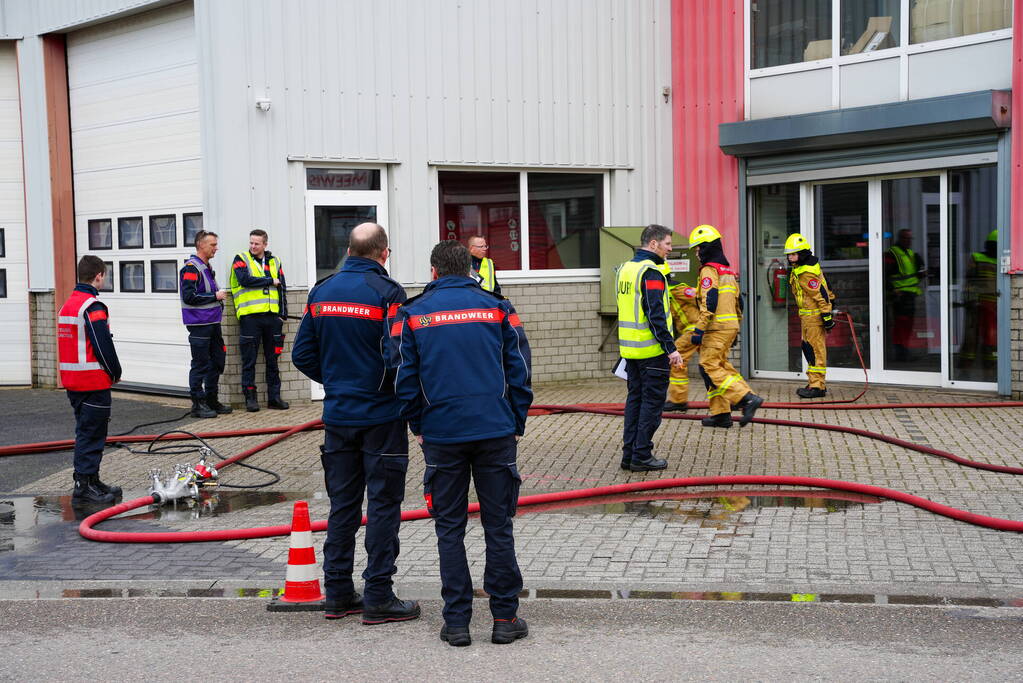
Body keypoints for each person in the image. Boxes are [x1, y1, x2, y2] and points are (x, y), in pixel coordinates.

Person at [394, 240, 532, 647]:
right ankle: (505, 619)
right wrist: (516, 421)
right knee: (498, 526)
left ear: (433, 271)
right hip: (495, 430)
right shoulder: (498, 307)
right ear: (471, 269)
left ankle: (456, 623)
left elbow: (403, 377)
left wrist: (418, 424)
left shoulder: (412, 313)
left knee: (449, 529)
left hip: (442, 433)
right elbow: (520, 369)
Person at [292, 222, 420, 626]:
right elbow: (399, 355)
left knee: (343, 506)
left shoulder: (321, 291)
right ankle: (378, 596)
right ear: (384, 253)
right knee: (383, 506)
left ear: (349, 250)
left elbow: (302, 354)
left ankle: (337, 594)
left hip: (339, 416)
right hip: (382, 417)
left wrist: (337, 382)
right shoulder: (389, 293)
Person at [615, 224, 682, 471]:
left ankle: (629, 454)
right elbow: (655, 315)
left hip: (630, 351)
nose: (670, 249)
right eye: (667, 244)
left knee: (635, 402)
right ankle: (642, 455)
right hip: (652, 352)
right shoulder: (651, 272)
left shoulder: (625, 269)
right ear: (653, 244)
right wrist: (670, 348)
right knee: (651, 406)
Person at [58, 256, 124, 505]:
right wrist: (115, 372)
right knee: (92, 434)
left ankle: (91, 480)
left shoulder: (67, 305)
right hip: (93, 381)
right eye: (104, 275)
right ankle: (84, 486)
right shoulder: (92, 306)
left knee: (86, 431)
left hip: (73, 382)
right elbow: (101, 344)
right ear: (98, 276)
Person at [688, 224, 763, 428]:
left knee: (708, 365)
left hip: (715, 327)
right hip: (728, 326)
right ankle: (721, 414)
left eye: (698, 248)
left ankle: (745, 398)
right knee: (719, 367)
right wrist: (736, 327)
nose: (696, 253)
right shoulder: (727, 271)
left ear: (706, 247)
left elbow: (710, 301)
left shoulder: (709, 270)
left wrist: (699, 329)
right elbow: (739, 302)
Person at [230, 229, 289, 412]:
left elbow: (282, 288)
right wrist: (270, 280)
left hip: (272, 318)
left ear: (265, 244)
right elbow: (245, 280)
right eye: (251, 243)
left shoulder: (275, 261)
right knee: (249, 361)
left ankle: (274, 398)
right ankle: (250, 399)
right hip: (250, 318)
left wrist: (282, 315)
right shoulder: (240, 259)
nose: (253, 246)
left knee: (273, 361)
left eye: (257, 243)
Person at [179, 230, 230, 418]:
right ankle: (198, 405)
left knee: (217, 361)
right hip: (200, 324)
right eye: (213, 245)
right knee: (200, 364)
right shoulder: (191, 268)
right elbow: (189, 296)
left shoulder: (206, 267)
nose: (216, 248)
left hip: (213, 322)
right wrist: (215, 296)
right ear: (201, 245)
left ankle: (211, 400)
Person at [784, 233, 835, 398]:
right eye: (789, 254)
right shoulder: (800, 269)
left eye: (793, 254)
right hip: (807, 318)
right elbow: (827, 288)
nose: (790, 257)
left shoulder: (806, 272)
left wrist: (827, 316)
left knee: (815, 351)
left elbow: (822, 295)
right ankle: (815, 383)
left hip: (814, 318)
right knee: (808, 349)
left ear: (802, 253)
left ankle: (817, 387)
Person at [662, 265, 701, 413]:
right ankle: (737, 398)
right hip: (694, 330)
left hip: (695, 330)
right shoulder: (666, 291)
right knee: (711, 365)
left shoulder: (677, 289)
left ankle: (678, 400)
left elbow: (700, 296)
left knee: (676, 358)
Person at [884, 228, 926, 363]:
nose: (908, 241)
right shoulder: (892, 254)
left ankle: (904, 352)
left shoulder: (911, 253)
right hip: (900, 296)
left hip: (910, 295)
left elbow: (917, 274)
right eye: (906, 238)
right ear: (900, 238)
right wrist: (892, 290)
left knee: (907, 325)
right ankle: (901, 354)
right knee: (901, 324)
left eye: (910, 238)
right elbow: (884, 274)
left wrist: (921, 270)